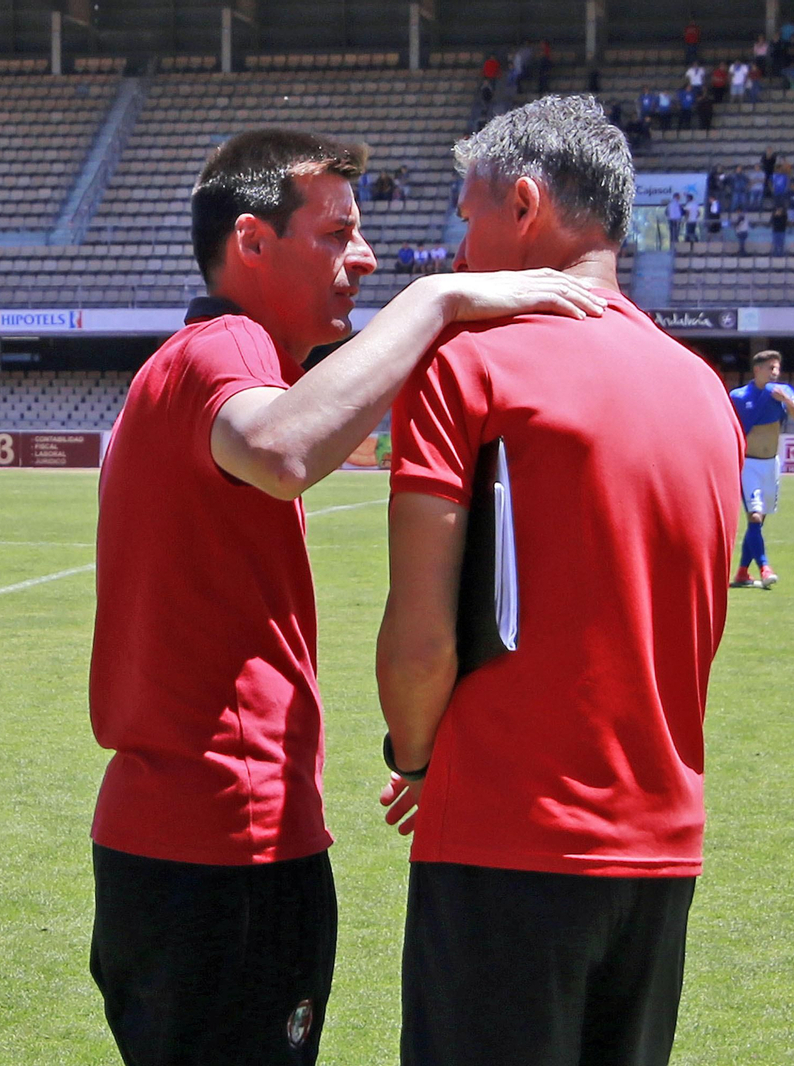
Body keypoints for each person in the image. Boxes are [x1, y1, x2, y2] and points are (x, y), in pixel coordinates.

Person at [86, 126, 606, 1066]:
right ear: (252, 243)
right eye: (336, 234)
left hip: (174, 842)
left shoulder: (189, 368)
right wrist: (439, 299)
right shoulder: (223, 346)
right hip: (224, 843)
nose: (363, 256)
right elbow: (283, 451)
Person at [376, 95, 743, 1066]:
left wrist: (415, 757)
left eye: (468, 212)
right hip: (660, 852)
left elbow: (421, 638)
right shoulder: (703, 391)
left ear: (525, 205)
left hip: (507, 840)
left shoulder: (468, 361)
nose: (457, 242)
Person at [730, 350, 794, 588]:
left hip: (771, 465)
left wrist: (787, 400)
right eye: (770, 368)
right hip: (749, 465)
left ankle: (743, 572)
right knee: (754, 516)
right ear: (757, 370)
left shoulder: (783, 393)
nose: (775, 372)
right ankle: (765, 568)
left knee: (758, 521)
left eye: (777, 368)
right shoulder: (739, 396)